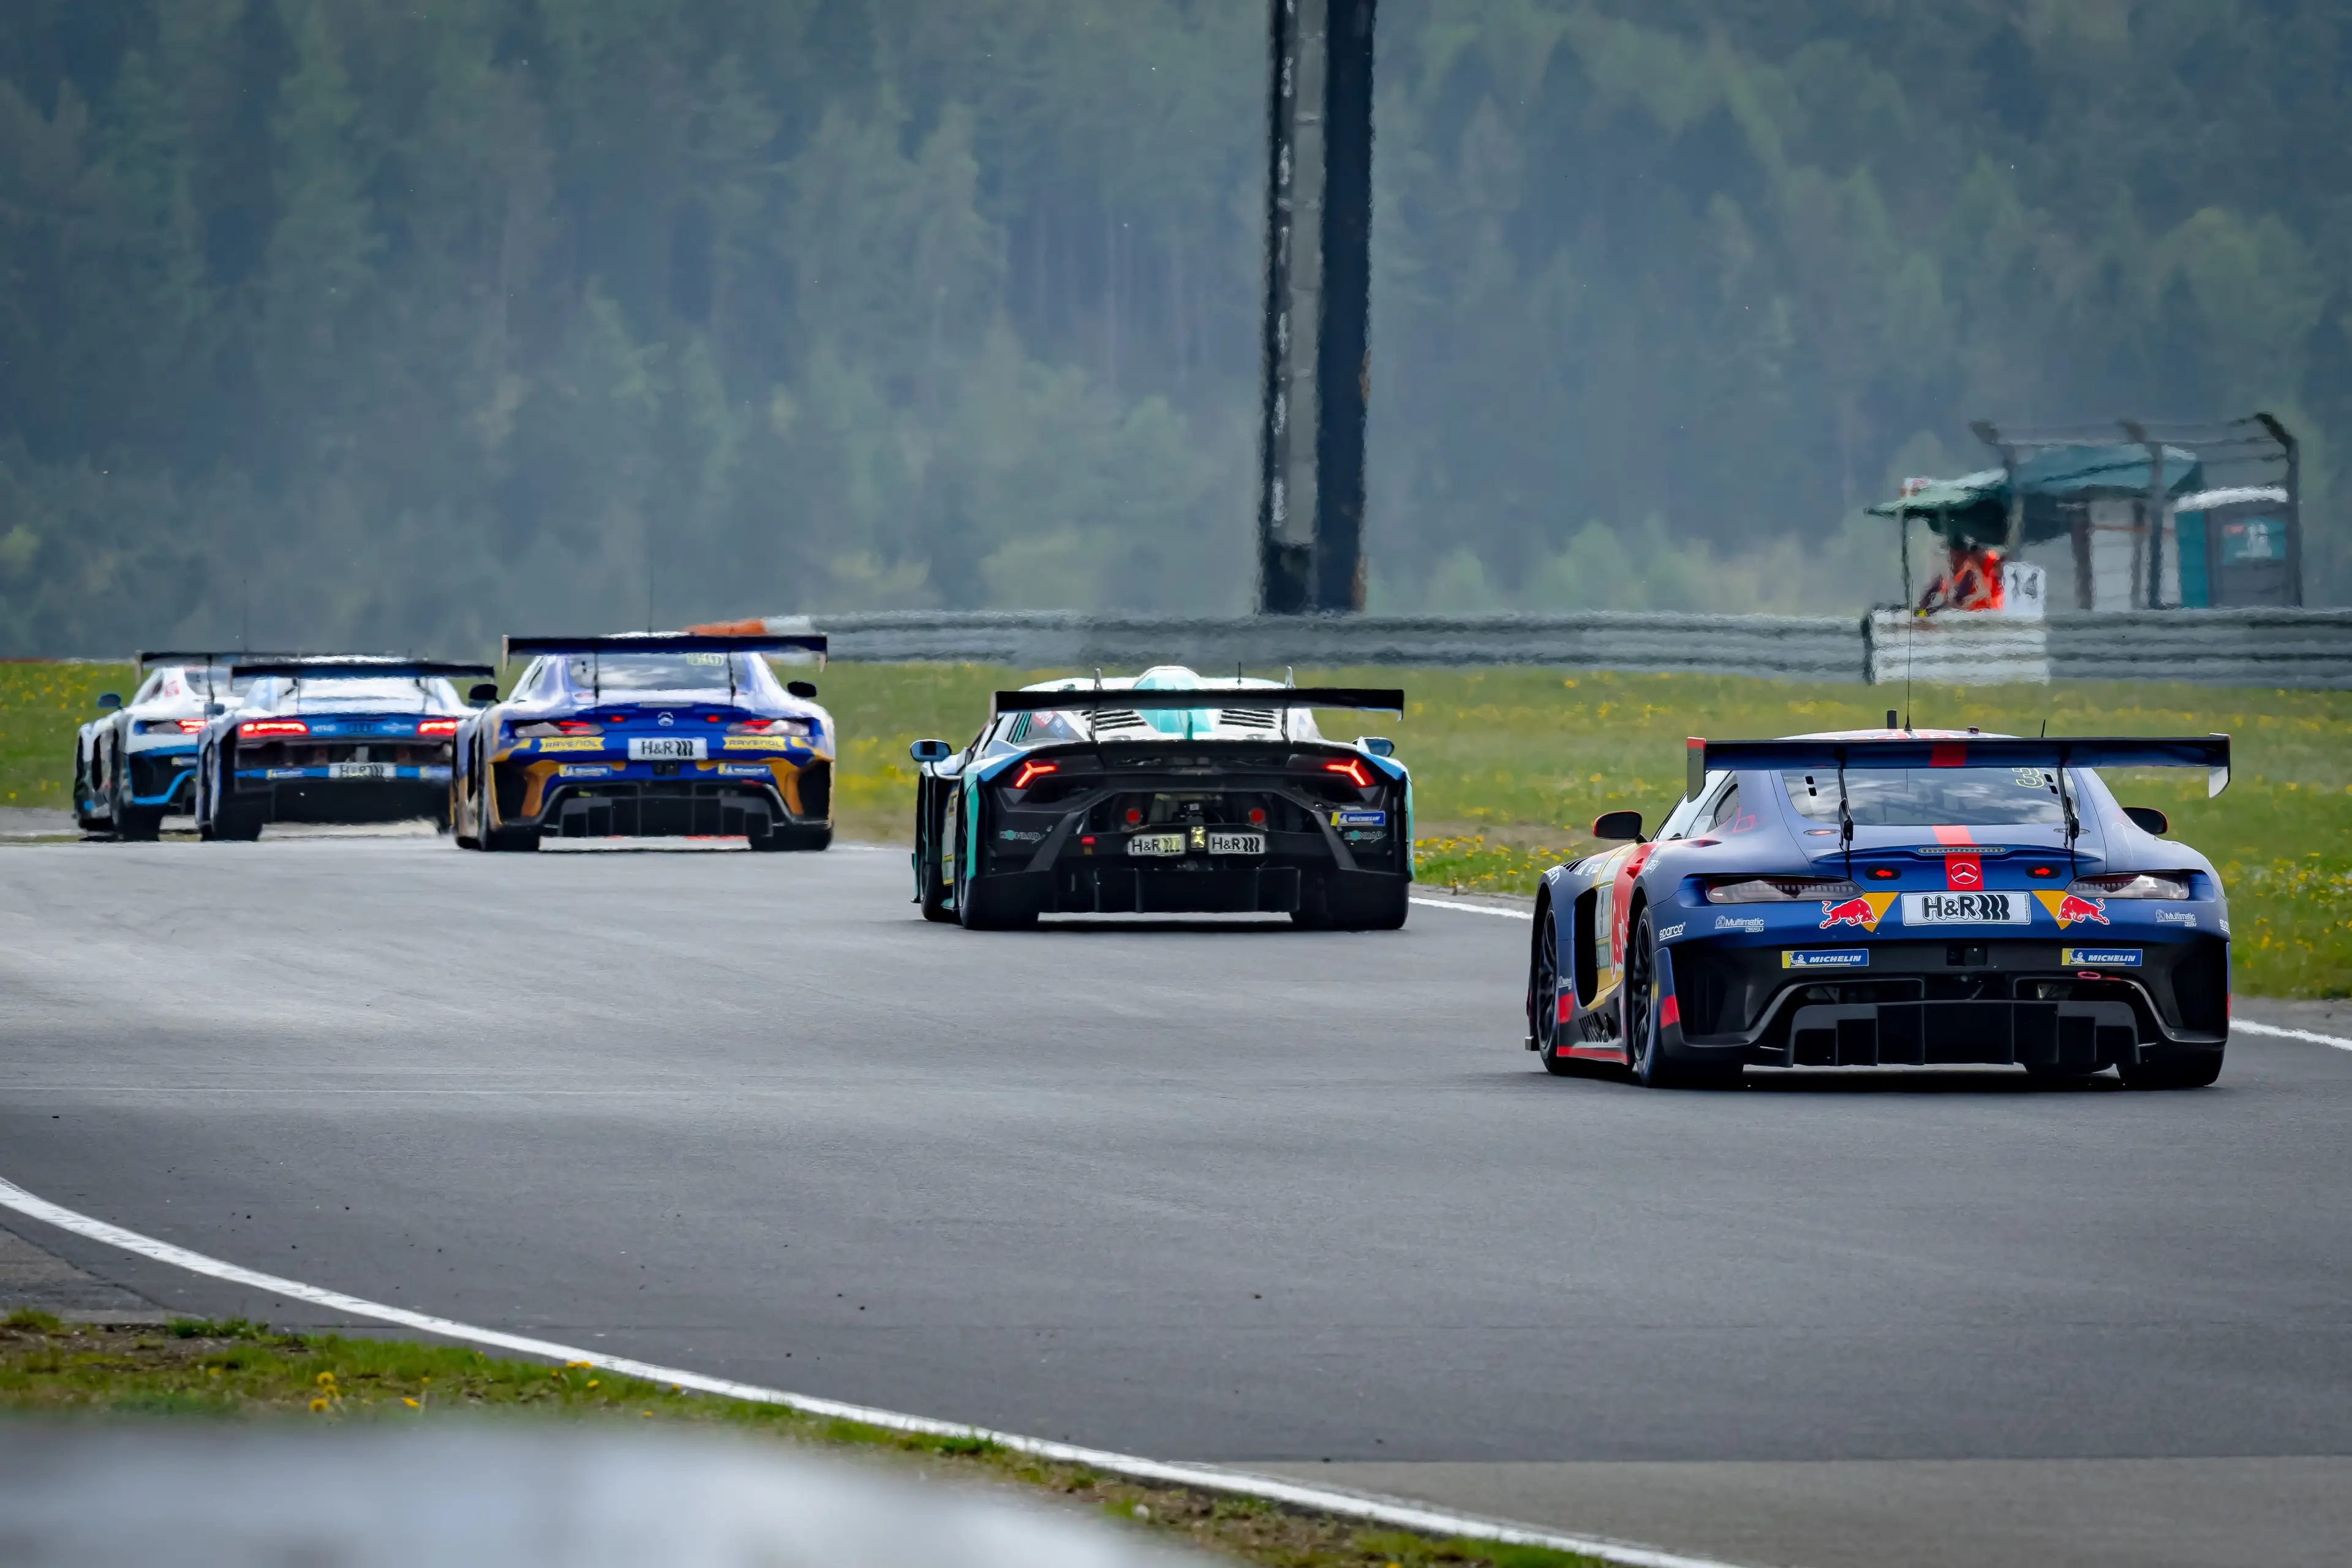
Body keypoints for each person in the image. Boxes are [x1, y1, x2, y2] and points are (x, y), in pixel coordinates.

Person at [1918, 540, 2005, 612]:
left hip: (1976, 615)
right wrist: (1923, 608)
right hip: (1955, 614)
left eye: (1959, 555)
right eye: (1952, 554)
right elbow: (1931, 591)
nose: (1954, 558)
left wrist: (1954, 604)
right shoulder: (1946, 573)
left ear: (1965, 556)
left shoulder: (1972, 573)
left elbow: (1963, 597)